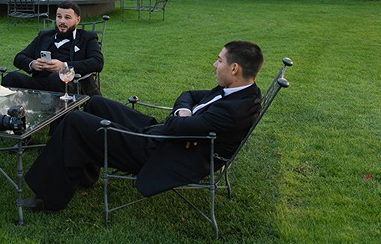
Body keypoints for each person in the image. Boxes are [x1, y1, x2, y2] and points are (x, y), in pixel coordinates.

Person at [21, 41, 264, 213]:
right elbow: (187, 95)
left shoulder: (233, 109)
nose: (214, 64)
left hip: (162, 153)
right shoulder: (240, 91)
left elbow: (176, 127)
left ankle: (49, 199)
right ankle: (85, 175)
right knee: (96, 103)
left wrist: (181, 122)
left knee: (75, 121)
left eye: (219, 60)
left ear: (234, 69)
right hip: (167, 136)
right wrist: (183, 114)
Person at [2, 2, 104, 96]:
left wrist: (64, 66)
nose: (62, 21)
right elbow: (19, 57)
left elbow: (97, 62)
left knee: (56, 77)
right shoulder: (44, 36)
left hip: (70, 85)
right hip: (39, 83)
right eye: (59, 17)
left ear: (77, 20)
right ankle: (13, 113)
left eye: (67, 17)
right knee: (11, 77)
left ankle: (60, 113)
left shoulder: (87, 38)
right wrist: (33, 63)